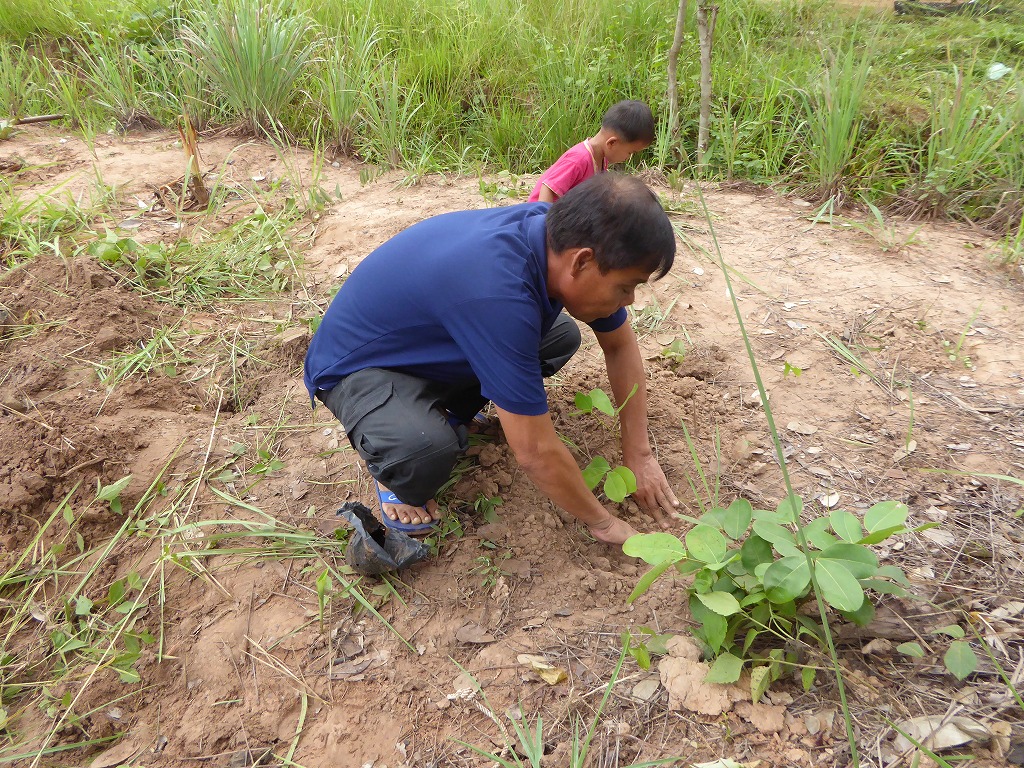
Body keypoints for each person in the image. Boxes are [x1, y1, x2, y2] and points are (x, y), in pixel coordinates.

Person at [304, 173, 680, 546]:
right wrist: (603, 523)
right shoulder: (498, 293)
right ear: (582, 262)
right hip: (355, 366)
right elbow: (533, 452)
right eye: (625, 287)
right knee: (423, 449)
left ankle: (447, 411)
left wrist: (639, 453)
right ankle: (394, 469)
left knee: (559, 337)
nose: (629, 300)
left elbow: (619, 345)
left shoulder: (550, 236)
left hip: (422, 345)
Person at [528, 100, 655, 204]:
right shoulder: (579, 159)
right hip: (540, 215)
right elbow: (548, 188)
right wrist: (543, 226)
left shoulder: (601, 158)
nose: (629, 157)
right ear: (612, 143)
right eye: (630, 152)